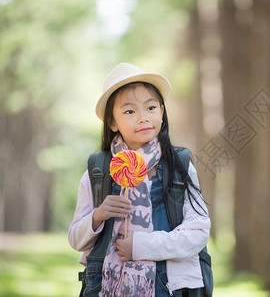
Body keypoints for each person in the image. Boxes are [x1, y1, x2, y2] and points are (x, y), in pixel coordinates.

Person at [68, 63, 211, 297]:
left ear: (162, 113)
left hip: (166, 287)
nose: (143, 118)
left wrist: (140, 246)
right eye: (129, 111)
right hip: (105, 286)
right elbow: (75, 240)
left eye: (151, 107)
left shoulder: (179, 165)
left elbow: (198, 232)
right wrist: (99, 215)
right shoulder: (98, 170)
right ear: (112, 122)